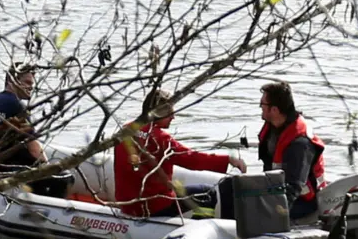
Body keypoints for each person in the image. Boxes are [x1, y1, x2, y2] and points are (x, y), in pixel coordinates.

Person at [114, 89, 247, 218]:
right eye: (170, 112)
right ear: (159, 112)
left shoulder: (125, 130)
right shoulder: (161, 139)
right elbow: (192, 159)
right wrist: (228, 159)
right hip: (154, 206)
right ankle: (200, 226)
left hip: (127, 205)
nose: (173, 117)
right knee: (207, 193)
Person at [0, 64, 71, 198]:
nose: (31, 87)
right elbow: (33, 147)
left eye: (32, 83)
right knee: (64, 178)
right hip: (11, 171)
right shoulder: (16, 105)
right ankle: (49, 207)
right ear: (12, 81)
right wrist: (47, 167)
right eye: (27, 82)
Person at [256, 81, 326, 220]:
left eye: (262, 104)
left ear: (274, 110)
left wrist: (274, 214)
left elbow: (294, 187)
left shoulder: (300, 144)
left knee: (250, 210)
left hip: (303, 201)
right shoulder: (273, 128)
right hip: (276, 191)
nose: (260, 107)